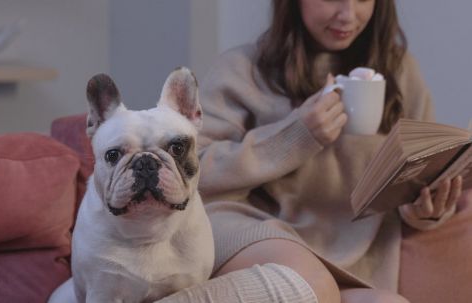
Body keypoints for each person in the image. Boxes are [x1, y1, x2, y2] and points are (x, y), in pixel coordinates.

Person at [158, 0, 463, 302]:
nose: (348, 15)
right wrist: (298, 135)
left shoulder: (399, 71)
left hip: (352, 252)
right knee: (309, 284)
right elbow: (192, 168)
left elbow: (421, 169)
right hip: (249, 224)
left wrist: (423, 211)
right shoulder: (242, 68)